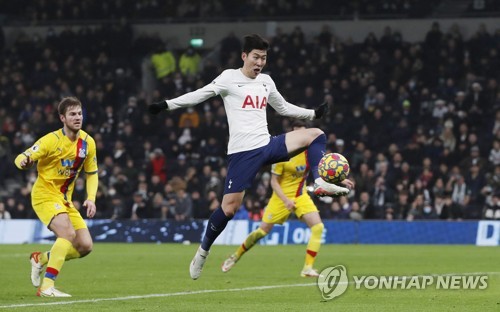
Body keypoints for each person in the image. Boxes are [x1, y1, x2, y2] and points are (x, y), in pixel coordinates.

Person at [148, 34, 353, 280]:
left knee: (316, 134)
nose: (259, 63)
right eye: (255, 57)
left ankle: (320, 181)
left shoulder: (266, 81)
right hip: (242, 153)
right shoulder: (228, 78)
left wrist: (313, 113)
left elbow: (284, 107)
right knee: (229, 208)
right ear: (244, 56)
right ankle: (203, 251)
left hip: (267, 144)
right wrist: (167, 105)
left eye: (263, 58)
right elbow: (200, 94)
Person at [14, 97, 98, 297]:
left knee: (85, 246)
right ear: (62, 118)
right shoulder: (50, 140)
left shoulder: (87, 142)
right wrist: (24, 161)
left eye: (79, 113)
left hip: (64, 200)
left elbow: (92, 172)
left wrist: (91, 197)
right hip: (44, 195)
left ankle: (41, 259)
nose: (77, 118)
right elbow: (21, 157)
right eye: (72, 114)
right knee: (67, 235)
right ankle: (47, 287)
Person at [221, 120, 327, 277]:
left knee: (318, 228)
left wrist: (339, 179)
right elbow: (273, 182)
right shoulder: (285, 153)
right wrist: (285, 200)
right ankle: (235, 256)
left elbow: (324, 169)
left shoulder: (309, 153)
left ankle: (307, 268)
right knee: (262, 232)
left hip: (300, 196)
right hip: (280, 198)